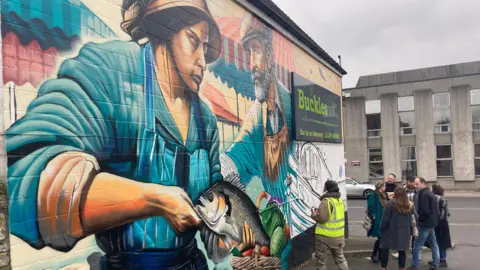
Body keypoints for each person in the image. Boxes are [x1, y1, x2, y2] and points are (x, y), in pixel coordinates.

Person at [6, 0, 232, 268]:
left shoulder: (204, 118)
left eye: (206, 50)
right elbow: (23, 177)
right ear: (166, 30)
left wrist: (224, 236)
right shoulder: (108, 72)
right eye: (194, 41)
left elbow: (215, 199)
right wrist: (152, 199)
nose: (202, 62)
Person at [311, 180, 349, 270]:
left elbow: (322, 218)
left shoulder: (327, 201)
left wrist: (314, 214)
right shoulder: (339, 200)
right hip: (338, 236)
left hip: (324, 237)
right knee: (340, 259)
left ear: (327, 188)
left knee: (320, 261)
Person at [379, 186, 416, 270]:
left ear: (395, 194)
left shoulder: (390, 204)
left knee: (385, 248)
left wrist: (381, 228)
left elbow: (385, 219)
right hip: (404, 232)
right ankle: (401, 268)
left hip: (389, 231)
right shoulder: (409, 205)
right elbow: (415, 217)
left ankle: (384, 267)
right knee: (402, 251)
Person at [408, 177, 440, 270]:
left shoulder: (423, 194)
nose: (415, 186)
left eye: (417, 184)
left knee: (417, 245)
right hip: (431, 222)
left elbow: (424, 211)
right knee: (433, 243)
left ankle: (415, 265)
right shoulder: (429, 193)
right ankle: (435, 263)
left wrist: (419, 220)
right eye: (414, 184)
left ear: (423, 183)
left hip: (425, 223)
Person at [427, 184, 451, 268]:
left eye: (431, 189)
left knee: (435, 241)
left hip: (435, 222)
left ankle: (437, 259)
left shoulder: (432, 198)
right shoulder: (443, 199)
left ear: (434, 190)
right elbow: (447, 213)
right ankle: (442, 259)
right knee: (443, 241)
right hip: (443, 223)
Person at [367, 182, 387, 263]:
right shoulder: (374, 195)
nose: (385, 188)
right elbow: (371, 207)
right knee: (380, 238)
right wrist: (374, 216)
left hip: (384, 218)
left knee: (382, 238)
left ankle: (379, 255)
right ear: (380, 187)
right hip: (378, 219)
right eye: (384, 186)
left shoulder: (383, 195)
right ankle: (374, 255)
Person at [403, 175, 418, 249]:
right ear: (407, 181)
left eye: (413, 182)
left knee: (415, 232)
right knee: (406, 232)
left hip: (414, 214)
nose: (412, 184)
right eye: (410, 182)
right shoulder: (402, 190)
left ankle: (414, 248)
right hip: (405, 214)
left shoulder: (417, 190)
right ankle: (404, 248)